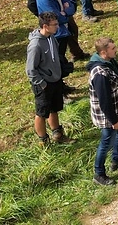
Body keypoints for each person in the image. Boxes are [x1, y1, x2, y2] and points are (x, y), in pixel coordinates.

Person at [88, 36, 118, 185]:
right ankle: (98, 173)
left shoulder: (110, 62)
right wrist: (114, 121)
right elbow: (104, 101)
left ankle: (116, 160)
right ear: (104, 52)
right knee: (106, 142)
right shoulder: (99, 73)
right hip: (108, 116)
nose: (116, 50)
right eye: (113, 48)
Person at [27, 12, 71, 145]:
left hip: (55, 81)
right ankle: (43, 141)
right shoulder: (35, 45)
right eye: (55, 25)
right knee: (41, 113)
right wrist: (42, 83)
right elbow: (30, 69)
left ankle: (57, 134)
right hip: (43, 84)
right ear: (45, 26)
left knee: (54, 109)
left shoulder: (52, 37)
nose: (57, 26)